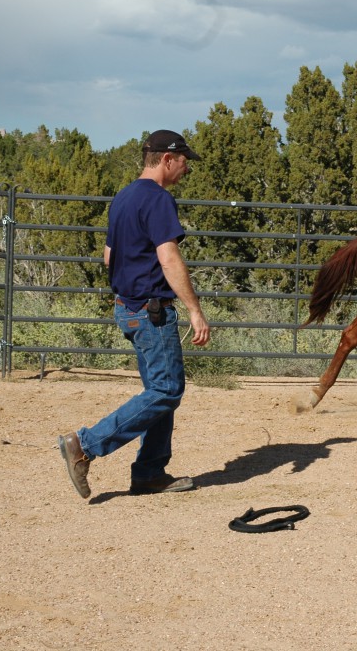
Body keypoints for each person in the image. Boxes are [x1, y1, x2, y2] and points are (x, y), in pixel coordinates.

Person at [58, 129, 211, 499]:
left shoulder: (123, 197)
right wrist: (195, 310)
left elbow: (108, 256)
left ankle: (149, 473)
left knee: (157, 389)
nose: (186, 170)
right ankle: (85, 444)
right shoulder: (158, 200)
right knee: (167, 390)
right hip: (151, 312)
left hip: (127, 307)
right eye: (184, 162)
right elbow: (169, 257)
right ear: (167, 159)